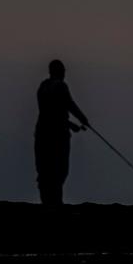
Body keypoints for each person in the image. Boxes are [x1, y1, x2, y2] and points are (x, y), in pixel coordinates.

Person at [34, 59, 89, 206]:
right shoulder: (60, 87)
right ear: (59, 72)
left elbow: (49, 114)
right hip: (58, 136)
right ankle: (55, 202)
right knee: (59, 169)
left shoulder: (43, 87)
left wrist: (72, 125)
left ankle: (47, 201)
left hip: (42, 133)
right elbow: (68, 105)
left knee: (45, 169)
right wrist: (83, 119)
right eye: (63, 71)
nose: (64, 74)